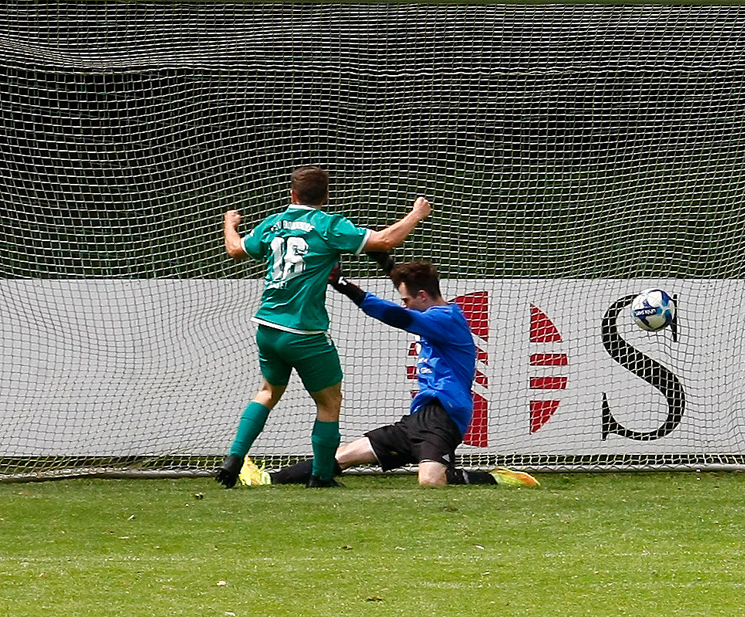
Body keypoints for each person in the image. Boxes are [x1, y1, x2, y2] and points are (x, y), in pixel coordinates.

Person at [216, 164, 432, 488]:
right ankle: (321, 475)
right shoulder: (328, 226)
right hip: (304, 333)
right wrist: (416, 214)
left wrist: (229, 223)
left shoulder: (273, 223)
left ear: (292, 194)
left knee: (268, 391)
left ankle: (233, 460)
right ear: (326, 196)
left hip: (267, 328)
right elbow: (385, 241)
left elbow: (234, 249)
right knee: (329, 402)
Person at [238, 258, 538, 488]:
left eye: (407, 299)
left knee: (431, 482)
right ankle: (267, 479)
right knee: (337, 459)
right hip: (417, 419)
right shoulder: (434, 314)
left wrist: (345, 286)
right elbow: (400, 296)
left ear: (422, 296)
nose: (403, 304)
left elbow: (393, 315)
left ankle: (497, 478)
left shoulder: (445, 318)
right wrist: (384, 260)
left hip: (443, 417)